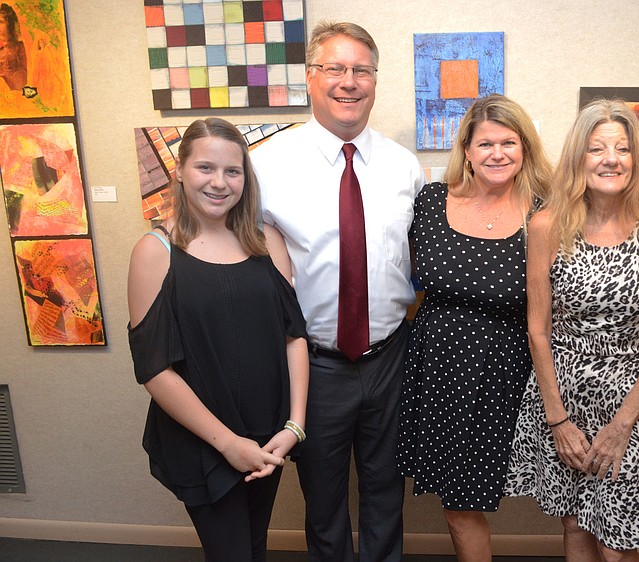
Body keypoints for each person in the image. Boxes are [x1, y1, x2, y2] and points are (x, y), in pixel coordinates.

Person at [251, 21, 426, 562]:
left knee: (385, 494)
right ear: (310, 78)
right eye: (335, 69)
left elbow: (420, 265)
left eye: (362, 71)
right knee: (323, 501)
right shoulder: (267, 166)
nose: (349, 82)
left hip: (390, 357)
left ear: (375, 81)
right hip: (315, 365)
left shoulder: (405, 168)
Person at [504, 99, 639, 561]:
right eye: (596, 148)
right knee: (574, 524)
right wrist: (557, 420)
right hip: (563, 398)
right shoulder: (547, 227)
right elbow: (538, 330)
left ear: (636, 160)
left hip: (632, 403)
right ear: (578, 159)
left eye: (622, 149)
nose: (611, 158)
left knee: (618, 542)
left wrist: (622, 425)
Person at [127, 117, 310, 562]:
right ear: (180, 172)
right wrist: (229, 444)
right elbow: (154, 369)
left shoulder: (267, 242)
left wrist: (294, 426)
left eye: (233, 171)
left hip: (268, 435)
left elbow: (294, 337)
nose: (219, 182)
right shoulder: (156, 251)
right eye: (205, 168)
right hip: (205, 442)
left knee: (253, 546)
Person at [397, 93, 551, 561]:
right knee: (458, 504)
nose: (497, 153)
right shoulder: (430, 201)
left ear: (525, 148)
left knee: (532, 494)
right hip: (437, 369)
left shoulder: (545, 213)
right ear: (465, 149)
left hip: (507, 373)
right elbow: (400, 278)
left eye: (509, 142)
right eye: (485, 143)